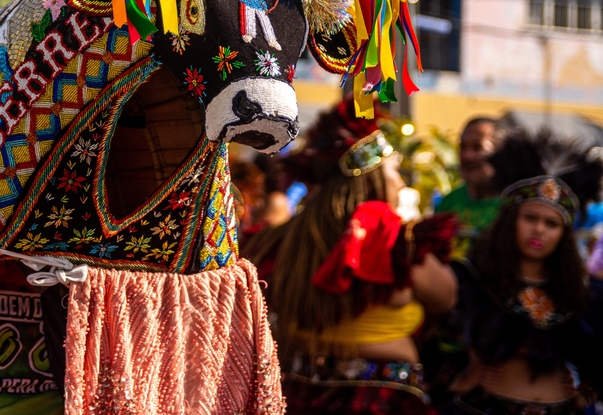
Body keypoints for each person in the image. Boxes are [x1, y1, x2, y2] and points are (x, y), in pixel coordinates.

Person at [243, 99, 458, 414]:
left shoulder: (279, 241)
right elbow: (446, 298)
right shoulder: (400, 243)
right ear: (369, 178)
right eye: (395, 172)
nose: (401, 183)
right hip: (381, 401)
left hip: (296, 395)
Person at [446, 129, 602, 414]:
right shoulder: (473, 281)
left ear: (563, 235)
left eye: (551, 224)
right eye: (530, 218)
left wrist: (588, 392)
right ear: (509, 222)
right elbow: (439, 341)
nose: (539, 229)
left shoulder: (579, 293)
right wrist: (464, 376)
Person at [436, 117, 503, 259]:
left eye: (478, 148)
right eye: (463, 147)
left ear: (500, 153)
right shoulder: (449, 202)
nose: (467, 156)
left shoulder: (511, 206)